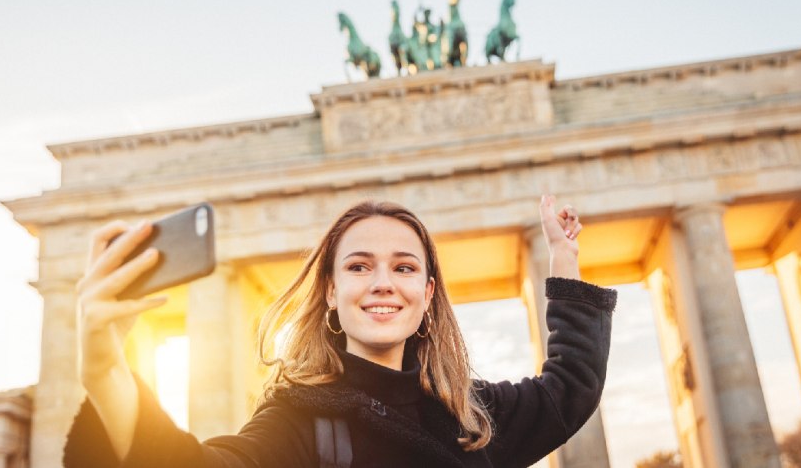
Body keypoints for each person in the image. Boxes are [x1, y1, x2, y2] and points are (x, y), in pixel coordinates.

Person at [64, 196, 616, 468]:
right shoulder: (299, 419)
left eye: (403, 267)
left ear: (427, 296)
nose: (382, 283)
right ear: (330, 291)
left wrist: (563, 257)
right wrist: (107, 372)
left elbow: (571, 387)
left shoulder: (472, 419)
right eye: (358, 266)